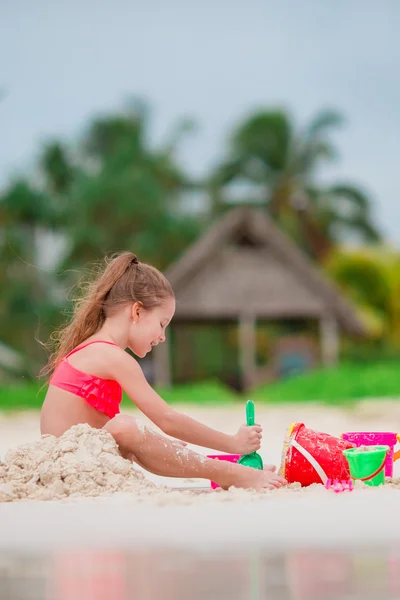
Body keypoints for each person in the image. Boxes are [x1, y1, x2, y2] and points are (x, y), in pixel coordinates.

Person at [40, 252, 286, 491]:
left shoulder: (98, 351)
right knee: (126, 427)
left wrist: (161, 445)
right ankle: (229, 473)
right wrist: (233, 443)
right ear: (136, 311)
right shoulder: (111, 356)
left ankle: (229, 470)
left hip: (83, 462)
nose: (162, 337)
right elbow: (168, 420)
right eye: (161, 324)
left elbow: (103, 434)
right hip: (68, 467)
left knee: (138, 434)